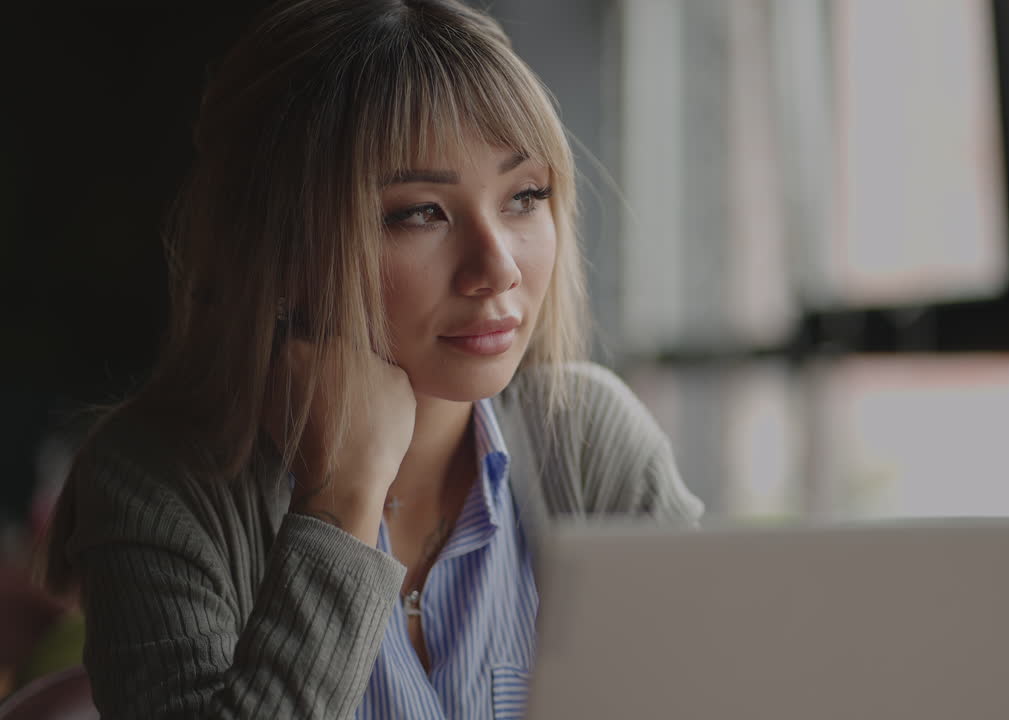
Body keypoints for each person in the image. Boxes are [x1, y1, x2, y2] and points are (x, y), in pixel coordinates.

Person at [40, 0, 703, 717]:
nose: (498, 267)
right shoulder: (160, 486)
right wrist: (339, 509)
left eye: (524, 196)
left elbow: (724, 688)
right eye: (419, 212)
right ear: (278, 248)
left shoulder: (589, 441)